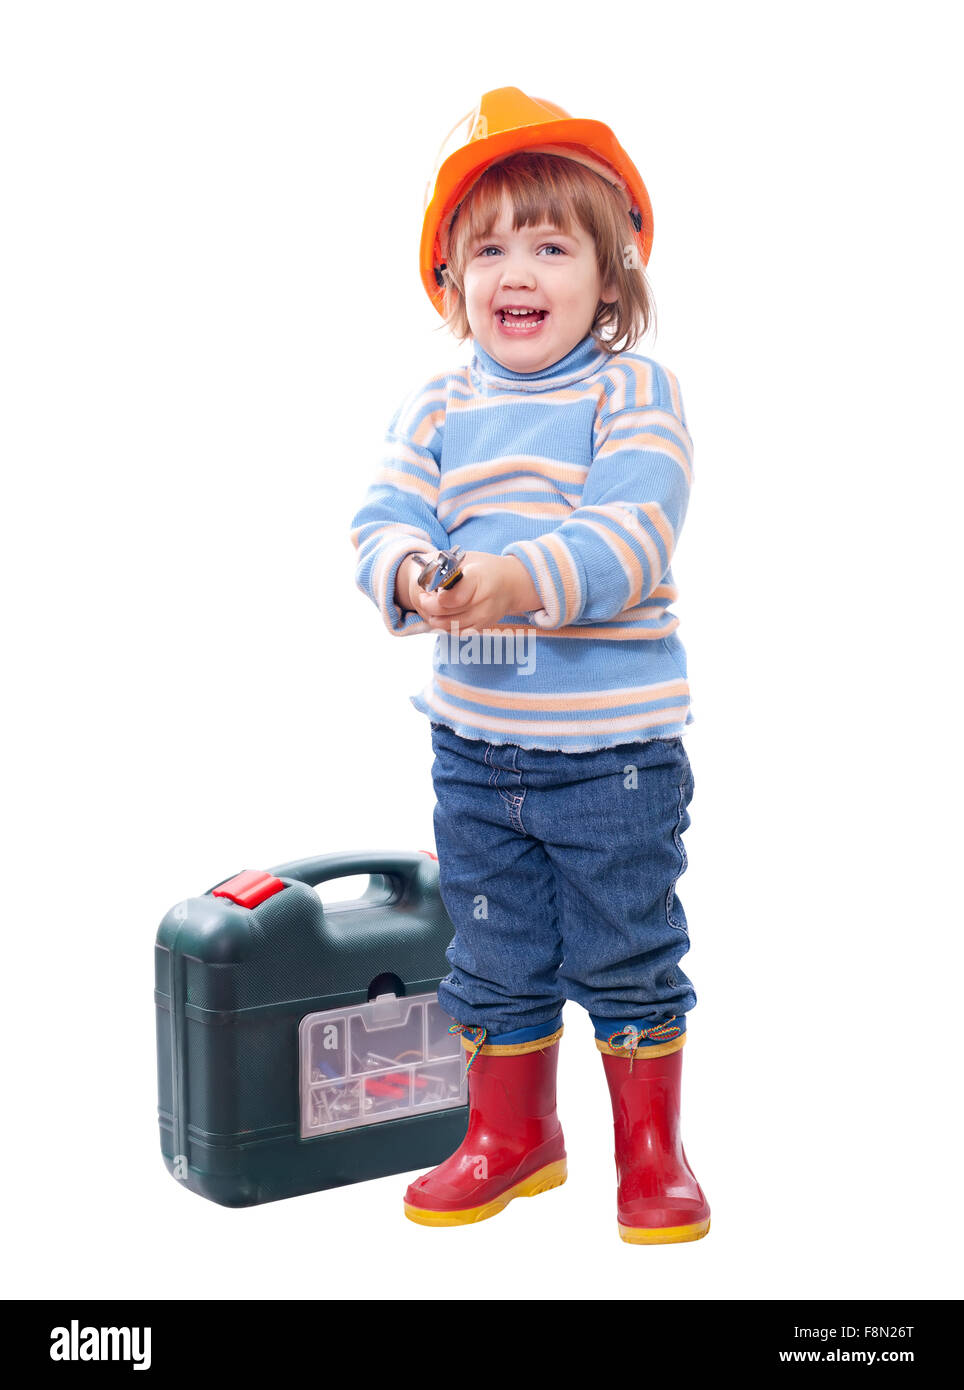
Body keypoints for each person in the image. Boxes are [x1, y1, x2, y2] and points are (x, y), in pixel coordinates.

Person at [350, 87, 709, 1244]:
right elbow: (384, 517)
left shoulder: (631, 392)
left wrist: (516, 581)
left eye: (552, 244)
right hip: (472, 746)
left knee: (628, 948)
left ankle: (649, 1150)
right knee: (492, 949)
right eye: (489, 247)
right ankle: (514, 1135)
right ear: (449, 280)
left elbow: (631, 529)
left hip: (611, 758)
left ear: (610, 277)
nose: (518, 270)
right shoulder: (438, 405)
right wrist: (411, 572)